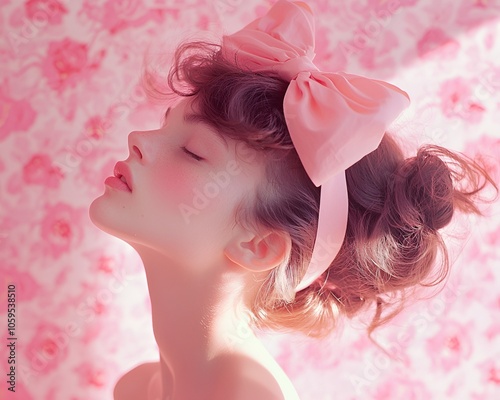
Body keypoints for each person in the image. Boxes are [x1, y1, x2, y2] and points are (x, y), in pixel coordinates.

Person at [89, 1, 496, 399]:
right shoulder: (138, 386)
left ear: (259, 245)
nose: (138, 140)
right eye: (166, 124)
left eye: (194, 151)